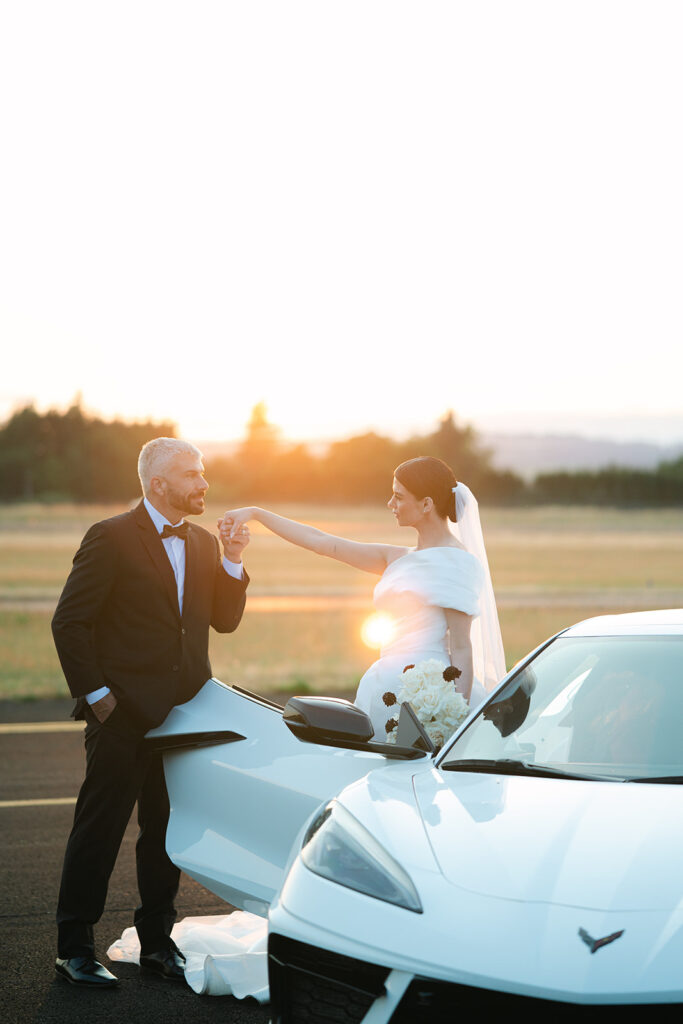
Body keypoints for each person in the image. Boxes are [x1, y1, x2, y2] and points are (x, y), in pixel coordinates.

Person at [51, 437, 250, 989]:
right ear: (158, 484)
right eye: (191, 475)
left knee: (165, 831)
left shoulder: (207, 544)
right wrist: (97, 698)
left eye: (203, 472)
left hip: (184, 716)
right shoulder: (110, 537)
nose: (203, 483)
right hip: (121, 716)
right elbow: (69, 622)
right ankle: (73, 948)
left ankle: (157, 942)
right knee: (100, 828)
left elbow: (224, 621)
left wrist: (233, 560)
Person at [220, 456, 506, 739]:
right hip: (385, 685)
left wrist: (455, 716)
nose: (390, 504)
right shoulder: (398, 556)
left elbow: (461, 647)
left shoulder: (456, 562)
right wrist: (257, 514)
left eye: (398, 497)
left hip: (431, 692)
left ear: (427, 504)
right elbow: (323, 543)